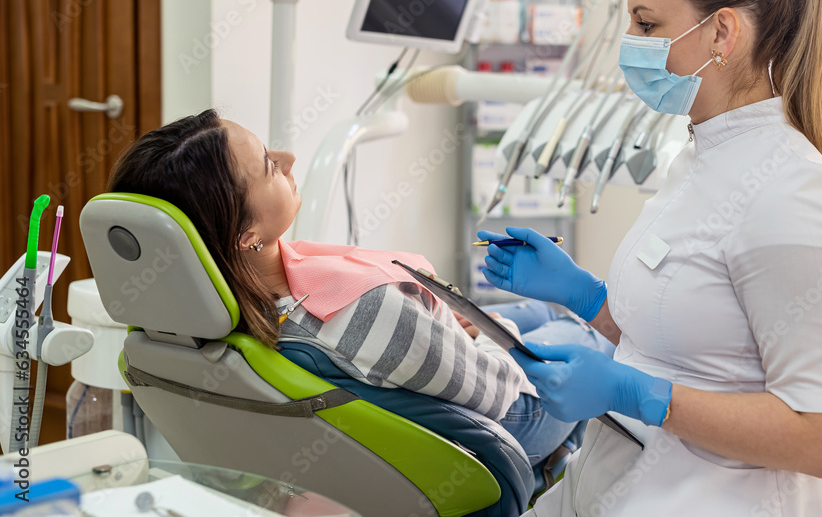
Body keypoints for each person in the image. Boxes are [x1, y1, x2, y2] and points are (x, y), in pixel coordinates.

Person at [480, 0, 822, 516]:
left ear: (721, 33)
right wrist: (581, 295)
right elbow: (683, 341)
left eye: (647, 23)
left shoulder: (790, 193)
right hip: (625, 474)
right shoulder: (700, 155)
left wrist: (640, 395)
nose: (631, 40)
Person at [106, 110, 614, 494]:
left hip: (428, 362)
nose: (287, 159)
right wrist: (494, 333)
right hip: (510, 421)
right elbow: (500, 391)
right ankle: (559, 454)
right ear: (245, 234)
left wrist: (468, 327)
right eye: (267, 165)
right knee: (583, 333)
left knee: (538, 315)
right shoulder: (359, 313)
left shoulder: (207, 319)